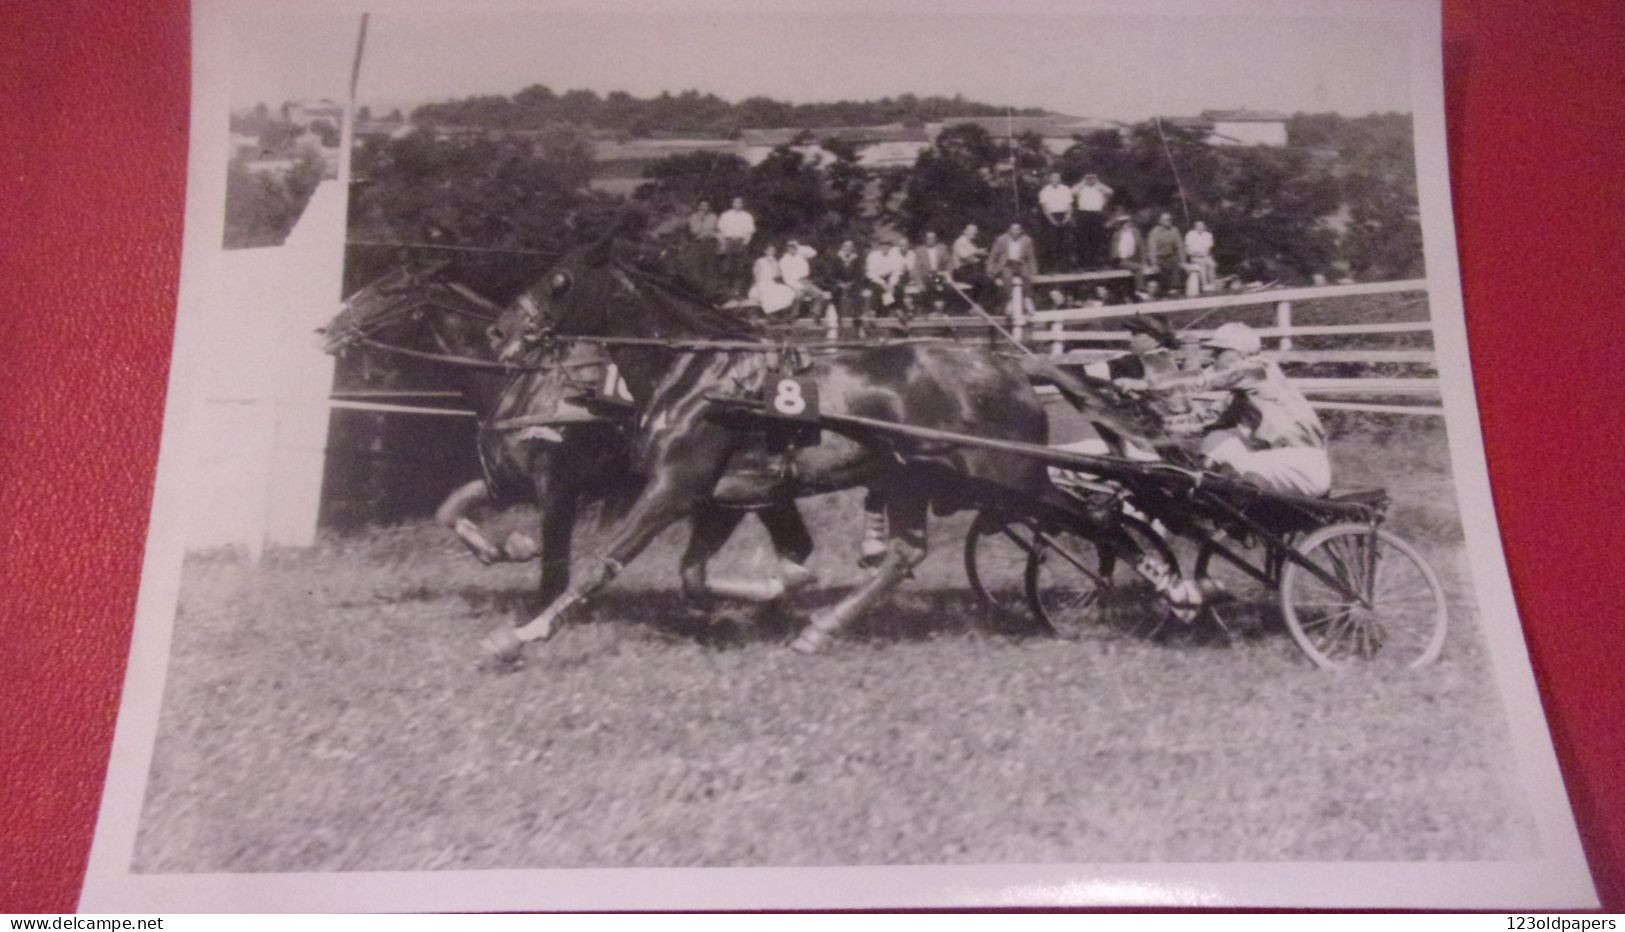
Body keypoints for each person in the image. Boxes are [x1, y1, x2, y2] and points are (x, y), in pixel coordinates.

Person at [1142, 322, 1332, 498]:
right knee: (1219, 437)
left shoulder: (1259, 369)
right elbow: (1204, 421)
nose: (1212, 357)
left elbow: (1204, 380)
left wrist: (1146, 383)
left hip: (1305, 464)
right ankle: (1198, 493)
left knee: (1242, 467)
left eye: (1218, 352)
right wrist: (1154, 425)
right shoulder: (1239, 397)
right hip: (1282, 461)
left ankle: (1228, 513)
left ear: (1239, 353)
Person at [986, 221, 1038, 312]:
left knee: (1026, 275)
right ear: (1009, 230)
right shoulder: (1001, 239)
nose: (1015, 232)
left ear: (1021, 231)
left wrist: (1034, 271)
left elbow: (1031, 256)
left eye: (1017, 230)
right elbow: (993, 255)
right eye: (1013, 229)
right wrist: (990, 269)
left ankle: (1027, 299)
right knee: (1007, 277)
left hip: (1021, 263)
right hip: (1007, 264)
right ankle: (1009, 301)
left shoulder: (1027, 240)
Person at [1071, 173, 1114, 268]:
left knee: (1096, 239)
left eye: (1093, 178)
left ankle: (1094, 264)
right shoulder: (1081, 188)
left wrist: (1098, 183)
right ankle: (1083, 264)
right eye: (1088, 178)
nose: (1090, 180)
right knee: (1083, 239)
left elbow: (1111, 192)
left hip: (1096, 214)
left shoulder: (1100, 188)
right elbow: (1071, 192)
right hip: (1083, 214)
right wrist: (1082, 182)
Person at [716, 196, 757, 296]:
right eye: (735, 203)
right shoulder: (726, 215)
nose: (737, 205)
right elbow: (720, 230)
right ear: (732, 203)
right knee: (726, 266)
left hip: (741, 242)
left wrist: (745, 242)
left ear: (742, 204)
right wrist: (723, 243)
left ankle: (736, 290)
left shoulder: (747, 216)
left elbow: (750, 232)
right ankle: (725, 289)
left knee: (739, 267)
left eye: (739, 203)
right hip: (728, 241)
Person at [778, 238, 828, 316]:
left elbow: (813, 253)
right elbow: (786, 278)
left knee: (819, 294)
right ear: (787, 248)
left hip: (805, 282)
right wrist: (797, 286)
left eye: (794, 247)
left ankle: (814, 313)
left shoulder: (800, 256)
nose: (792, 249)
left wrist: (799, 246)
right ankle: (793, 315)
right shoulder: (784, 260)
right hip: (792, 284)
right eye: (790, 247)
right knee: (799, 296)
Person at [1037, 171, 1075, 272]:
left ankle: (1066, 268)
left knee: (1066, 242)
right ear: (1050, 179)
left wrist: (1068, 216)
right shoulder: (1044, 191)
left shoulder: (1066, 189)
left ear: (1060, 179)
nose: (1056, 180)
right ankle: (1053, 268)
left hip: (1064, 215)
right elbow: (1044, 208)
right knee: (1053, 242)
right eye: (1053, 178)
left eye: (1057, 178)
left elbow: (1070, 205)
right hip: (1050, 216)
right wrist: (1052, 220)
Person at [747, 243, 797, 318]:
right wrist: (757, 285)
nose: (771, 252)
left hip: (772, 283)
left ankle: (783, 314)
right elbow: (756, 274)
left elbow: (778, 275)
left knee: (787, 291)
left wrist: (774, 265)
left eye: (773, 251)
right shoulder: (760, 261)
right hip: (761, 283)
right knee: (769, 293)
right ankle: (771, 314)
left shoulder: (776, 262)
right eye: (769, 250)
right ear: (765, 251)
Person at [819, 239, 866, 316]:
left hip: (852, 284)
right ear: (842, 247)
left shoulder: (856, 259)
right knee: (835, 291)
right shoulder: (836, 258)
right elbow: (831, 275)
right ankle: (837, 315)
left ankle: (856, 316)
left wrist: (851, 283)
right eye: (846, 246)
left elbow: (859, 274)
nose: (848, 248)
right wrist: (840, 283)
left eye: (850, 246)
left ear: (853, 248)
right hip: (839, 283)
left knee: (857, 292)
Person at [1106, 208, 1147, 296]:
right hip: (1120, 259)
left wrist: (1144, 261)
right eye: (1125, 222)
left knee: (1140, 267)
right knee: (1138, 268)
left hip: (1132, 258)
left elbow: (1141, 247)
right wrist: (1116, 258)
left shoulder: (1135, 232)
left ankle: (1137, 291)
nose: (1127, 224)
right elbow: (1114, 250)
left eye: (1128, 222)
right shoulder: (1117, 234)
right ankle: (1140, 289)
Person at [1145, 211, 1187, 295]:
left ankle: (1175, 288)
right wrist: (1154, 264)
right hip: (1157, 257)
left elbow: (1180, 246)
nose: (1169, 221)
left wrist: (1183, 261)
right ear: (1160, 221)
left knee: (1176, 266)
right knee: (1161, 270)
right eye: (1166, 219)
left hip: (1169, 256)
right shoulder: (1155, 232)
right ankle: (1164, 290)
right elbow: (1152, 249)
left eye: (1170, 219)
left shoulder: (1174, 230)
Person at [864, 236, 907, 317]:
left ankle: (898, 310)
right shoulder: (873, 256)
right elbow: (871, 273)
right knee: (878, 289)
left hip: (889, 278)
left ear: (890, 246)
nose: (885, 247)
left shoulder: (895, 256)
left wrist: (891, 284)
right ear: (880, 246)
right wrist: (883, 283)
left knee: (898, 288)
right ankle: (873, 312)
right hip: (876, 279)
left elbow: (896, 272)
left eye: (887, 245)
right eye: (883, 245)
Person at [949, 223, 990, 306]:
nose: (974, 232)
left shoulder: (969, 242)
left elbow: (977, 256)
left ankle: (978, 305)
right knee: (986, 281)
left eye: (975, 230)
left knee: (986, 279)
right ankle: (978, 306)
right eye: (971, 230)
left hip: (969, 270)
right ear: (965, 231)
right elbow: (966, 258)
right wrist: (978, 253)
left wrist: (981, 254)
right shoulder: (960, 242)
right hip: (961, 271)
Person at [909, 230, 951, 309]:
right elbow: (916, 269)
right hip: (926, 276)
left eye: (932, 238)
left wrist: (949, 276)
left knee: (945, 286)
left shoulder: (942, 248)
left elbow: (949, 264)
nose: (930, 240)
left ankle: (944, 309)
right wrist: (919, 283)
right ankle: (934, 308)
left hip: (939, 275)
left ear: (936, 239)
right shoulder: (919, 251)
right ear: (925, 239)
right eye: (928, 238)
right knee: (931, 285)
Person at [1184, 220, 1217, 292]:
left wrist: (1200, 253)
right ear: (1195, 227)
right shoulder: (1190, 234)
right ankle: (1204, 285)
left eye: (1201, 226)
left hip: (1205, 256)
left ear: (1205, 227)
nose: (1199, 227)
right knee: (1202, 264)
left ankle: (1212, 285)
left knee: (1212, 264)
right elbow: (1188, 249)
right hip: (1194, 257)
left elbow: (1207, 250)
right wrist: (1196, 253)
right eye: (1197, 226)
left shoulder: (1208, 235)